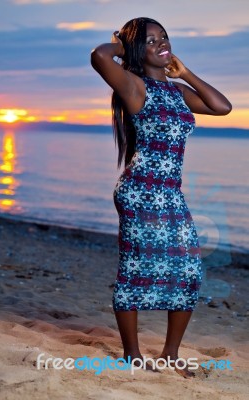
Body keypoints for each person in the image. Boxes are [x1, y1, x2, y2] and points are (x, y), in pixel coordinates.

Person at [91, 17, 232, 379]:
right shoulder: (134, 86)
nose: (161, 44)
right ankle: (132, 354)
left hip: (169, 193)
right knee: (135, 270)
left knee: (188, 271)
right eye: (150, 41)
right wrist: (126, 43)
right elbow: (99, 55)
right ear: (138, 50)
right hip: (140, 191)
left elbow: (222, 107)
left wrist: (184, 72)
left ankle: (170, 354)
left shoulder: (178, 92)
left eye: (164, 38)